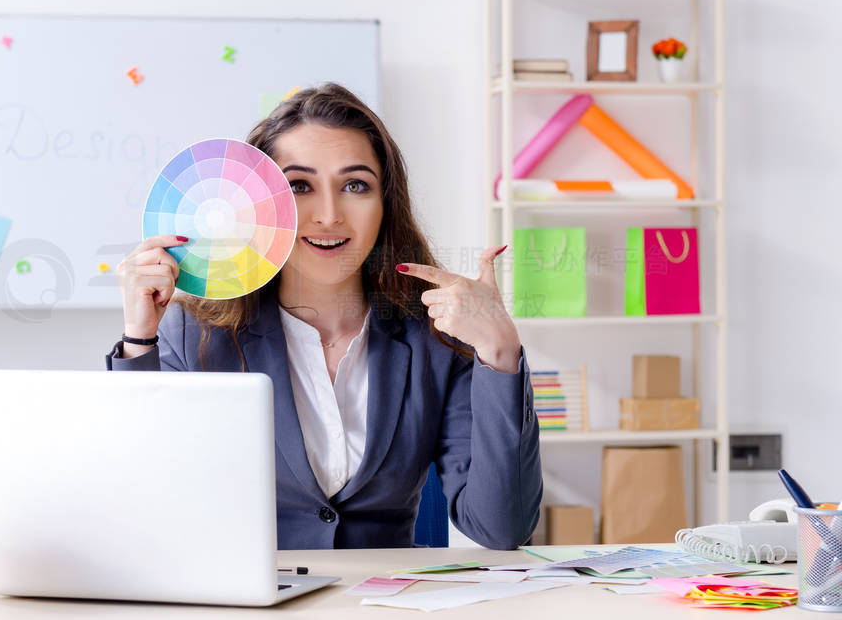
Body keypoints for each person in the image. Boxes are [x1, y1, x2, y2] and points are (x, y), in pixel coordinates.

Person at [106, 83, 542, 549]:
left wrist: (499, 350)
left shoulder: (435, 337)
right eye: (299, 186)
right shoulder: (192, 333)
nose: (329, 214)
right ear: (254, 205)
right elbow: (141, 511)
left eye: (355, 185)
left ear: (386, 205)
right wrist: (138, 339)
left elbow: (502, 527)